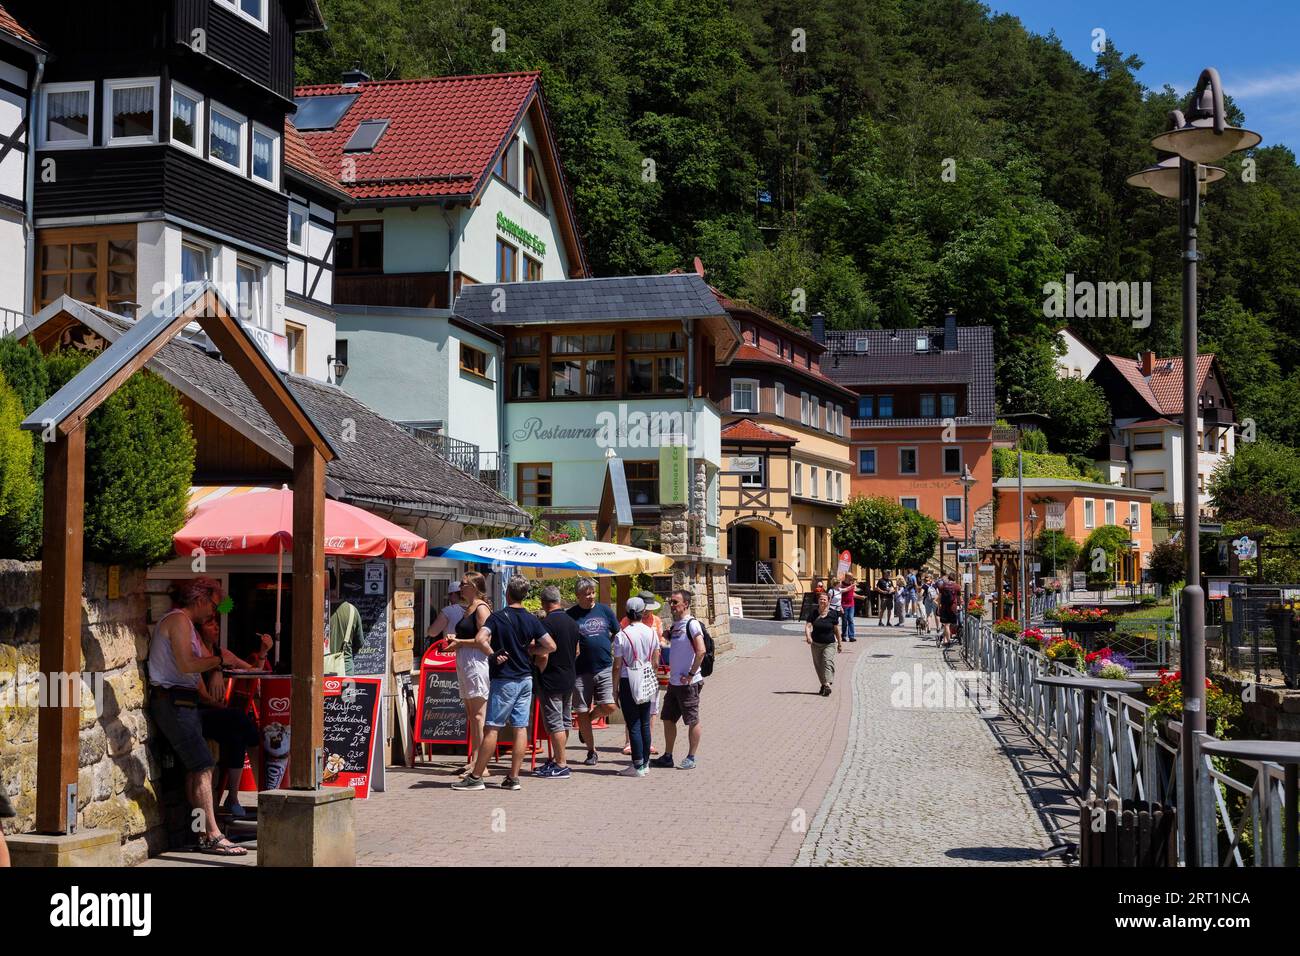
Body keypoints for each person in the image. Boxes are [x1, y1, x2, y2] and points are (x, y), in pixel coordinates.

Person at [147, 577, 246, 856]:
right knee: (202, 764)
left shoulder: (188, 625)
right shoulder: (178, 620)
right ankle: (212, 834)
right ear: (200, 600)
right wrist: (217, 663)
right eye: (214, 605)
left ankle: (203, 832)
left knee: (201, 760)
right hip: (173, 701)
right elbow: (188, 664)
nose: (214, 612)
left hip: (184, 702)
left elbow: (209, 655)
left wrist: (216, 665)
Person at [453, 577, 554, 792]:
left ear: (507, 593)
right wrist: (532, 651)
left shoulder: (498, 617)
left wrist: (494, 654)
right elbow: (551, 646)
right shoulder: (531, 619)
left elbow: (481, 639)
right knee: (520, 728)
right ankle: (513, 777)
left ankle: (477, 776)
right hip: (526, 678)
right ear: (525, 595)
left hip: (504, 679)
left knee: (492, 728)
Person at [195, 614, 264, 820]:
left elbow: (254, 671)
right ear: (198, 630)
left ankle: (233, 797)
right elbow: (201, 695)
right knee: (239, 720)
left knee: (238, 735)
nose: (216, 627)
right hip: (198, 712)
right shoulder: (194, 653)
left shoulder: (221, 653)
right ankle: (263, 792)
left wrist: (263, 652)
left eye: (216, 623)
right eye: (210, 623)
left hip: (216, 713)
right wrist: (215, 674)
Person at [439, 572, 492, 776]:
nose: (461, 587)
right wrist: (455, 639)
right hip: (464, 660)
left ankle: (482, 765)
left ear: (475, 586)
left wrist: (461, 642)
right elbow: (468, 635)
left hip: (476, 662)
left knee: (479, 715)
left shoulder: (480, 608)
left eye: (464, 584)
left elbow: (485, 640)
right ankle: (475, 759)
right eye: (461, 584)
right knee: (471, 715)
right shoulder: (466, 608)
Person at [651, 589, 706, 770]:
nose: (672, 606)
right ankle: (668, 756)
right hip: (674, 683)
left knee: (692, 720)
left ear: (686, 604)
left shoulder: (692, 624)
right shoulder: (676, 626)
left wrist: (690, 675)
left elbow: (701, 651)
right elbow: (668, 642)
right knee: (668, 718)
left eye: (675, 602)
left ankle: (691, 757)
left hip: (688, 684)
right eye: (671, 602)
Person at [568, 578, 619, 766]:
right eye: (587, 593)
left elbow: (616, 631)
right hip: (580, 670)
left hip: (604, 665)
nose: (591, 596)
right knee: (581, 710)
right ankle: (591, 752)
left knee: (610, 706)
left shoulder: (604, 610)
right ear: (578, 596)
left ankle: (588, 721)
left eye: (592, 592)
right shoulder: (571, 615)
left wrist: (607, 646)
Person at [533, 585, 580, 779]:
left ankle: (561, 764)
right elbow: (577, 650)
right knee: (564, 721)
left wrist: (538, 666)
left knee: (554, 724)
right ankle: (560, 759)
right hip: (569, 677)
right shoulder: (572, 622)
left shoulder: (547, 624)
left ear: (544, 603)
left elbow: (543, 654)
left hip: (552, 679)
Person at [611, 597, 661, 776]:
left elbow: (617, 666)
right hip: (646, 677)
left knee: (633, 723)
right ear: (642, 612)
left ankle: (637, 765)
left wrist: (614, 689)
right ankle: (645, 763)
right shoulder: (651, 632)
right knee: (645, 722)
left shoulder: (621, 635)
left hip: (627, 679)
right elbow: (655, 660)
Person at [803, 589, 842, 695]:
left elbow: (836, 630)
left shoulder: (833, 614)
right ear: (818, 601)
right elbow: (808, 626)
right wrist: (808, 636)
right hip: (816, 644)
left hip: (829, 643)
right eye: (821, 599)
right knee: (819, 665)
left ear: (828, 601)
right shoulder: (814, 613)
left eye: (825, 599)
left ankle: (827, 684)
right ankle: (824, 684)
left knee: (827, 662)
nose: (822, 601)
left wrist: (839, 643)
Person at [327, 597, 364, 677]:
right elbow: (360, 643)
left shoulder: (317, 608)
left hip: (321, 668)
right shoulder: (352, 610)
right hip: (345, 669)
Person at [425, 582, 464, 656]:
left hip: (452, 653)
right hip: (470, 652)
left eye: (449, 595)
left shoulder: (448, 611)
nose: (449, 599)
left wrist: (428, 629)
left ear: (453, 594)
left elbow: (433, 632)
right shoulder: (474, 608)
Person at [937, 572, 961, 646]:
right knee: (952, 624)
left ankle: (943, 637)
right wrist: (959, 605)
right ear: (954, 578)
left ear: (948, 578)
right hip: (953, 607)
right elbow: (959, 598)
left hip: (944, 607)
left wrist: (938, 608)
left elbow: (939, 598)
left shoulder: (942, 586)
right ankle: (948, 641)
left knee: (946, 625)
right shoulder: (957, 586)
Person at [838, 574, 856, 642]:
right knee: (844, 621)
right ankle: (844, 636)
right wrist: (852, 586)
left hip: (851, 605)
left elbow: (852, 594)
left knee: (851, 620)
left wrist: (860, 597)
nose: (852, 578)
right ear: (847, 577)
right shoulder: (841, 584)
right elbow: (844, 590)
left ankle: (851, 636)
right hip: (844, 605)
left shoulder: (852, 584)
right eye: (851, 576)